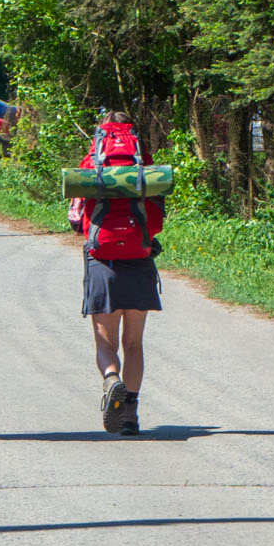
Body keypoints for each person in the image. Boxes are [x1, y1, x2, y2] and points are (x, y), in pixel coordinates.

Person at [69, 112, 165, 436]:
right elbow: (158, 214)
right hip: (139, 258)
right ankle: (131, 415)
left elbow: (74, 217)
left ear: (100, 134)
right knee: (134, 343)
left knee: (105, 343)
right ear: (132, 133)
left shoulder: (91, 161)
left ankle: (112, 380)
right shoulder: (144, 161)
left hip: (103, 261)